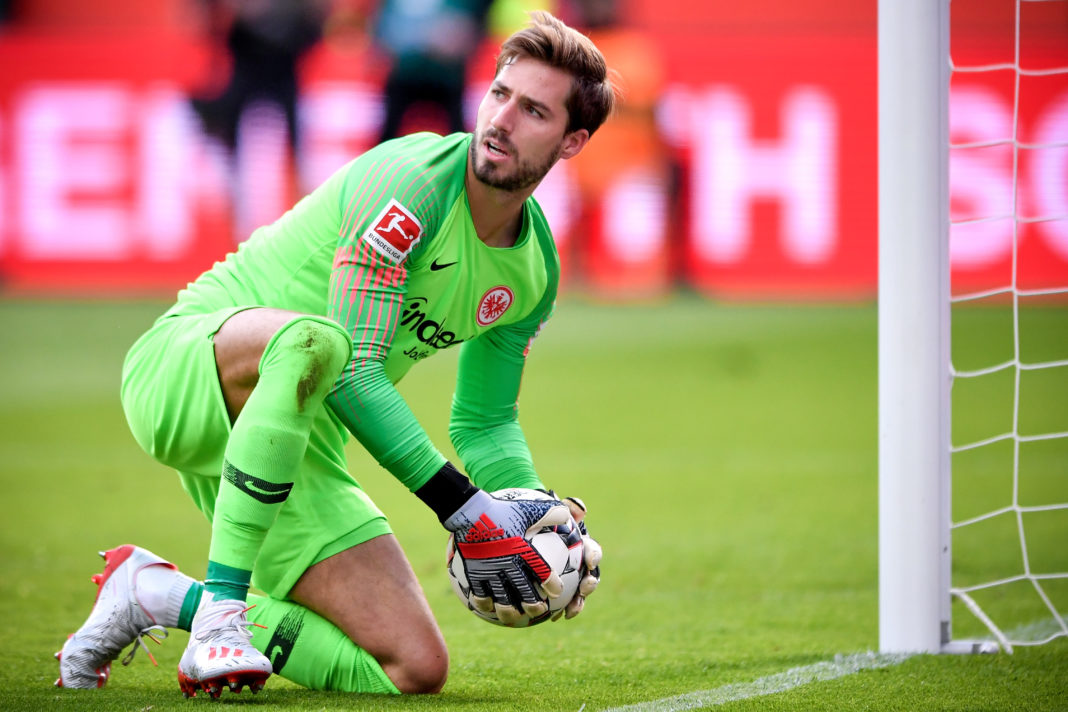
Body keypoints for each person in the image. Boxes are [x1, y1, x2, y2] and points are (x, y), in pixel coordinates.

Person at [55, 11, 613, 698]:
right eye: (500, 93)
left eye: (534, 111)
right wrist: (465, 508)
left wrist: (533, 518)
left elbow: (484, 421)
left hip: (294, 443)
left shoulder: (533, 271)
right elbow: (352, 369)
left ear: (572, 141)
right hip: (186, 369)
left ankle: (158, 596)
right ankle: (223, 615)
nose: (501, 119)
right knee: (318, 341)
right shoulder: (409, 182)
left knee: (412, 668)